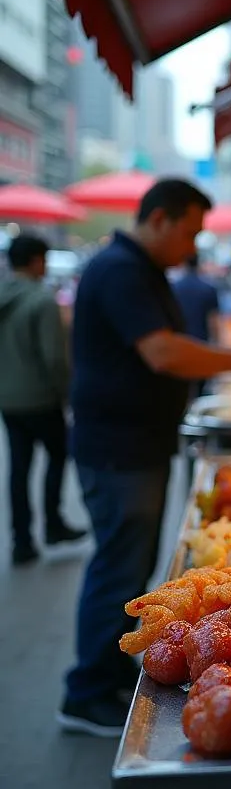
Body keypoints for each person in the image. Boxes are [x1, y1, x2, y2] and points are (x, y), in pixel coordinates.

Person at [60, 179, 231, 736]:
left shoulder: (142, 268)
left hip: (135, 444)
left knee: (128, 563)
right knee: (119, 566)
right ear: (159, 219)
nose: (193, 245)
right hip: (119, 450)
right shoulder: (121, 270)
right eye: (189, 232)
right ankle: (87, 690)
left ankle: (106, 673)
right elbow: (160, 352)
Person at [0, 235, 87, 566]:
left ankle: (21, 540)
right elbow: (54, 358)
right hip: (40, 398)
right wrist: (66, 393)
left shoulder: (3, 295)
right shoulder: (41, 300)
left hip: (8, 399)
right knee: (57, 454)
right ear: (37, 260)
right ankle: (53, 523)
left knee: (18, 467)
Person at [171, 253, 221, 397]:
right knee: (200, 393)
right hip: (201, 346)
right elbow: (214, 323)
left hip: (179, 346)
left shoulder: (174, 287)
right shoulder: (208, 288)